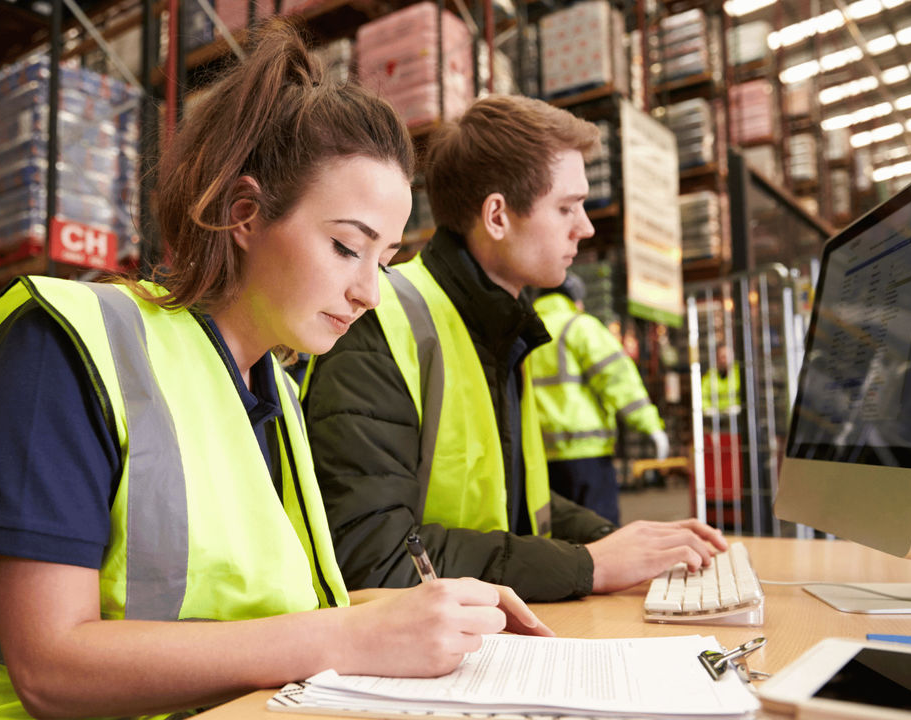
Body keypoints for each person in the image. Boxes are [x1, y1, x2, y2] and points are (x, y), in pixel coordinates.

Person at [0, 22, 552, 720]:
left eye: (387, 257)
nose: (371, 291)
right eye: (345, 247)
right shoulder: (67, 348)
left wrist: (428, 608)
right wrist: (348, 634)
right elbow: (50, 667)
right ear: (244, 215)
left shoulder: (271, 388)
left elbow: (273, 613)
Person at [301, 94, 726, 604]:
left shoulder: (502, 329)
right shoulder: (379, 322)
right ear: (498, 216)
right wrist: (587, 564)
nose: (585, 227)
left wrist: (621, 542)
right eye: (567, 207)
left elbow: (519, 508)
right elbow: (375, 556)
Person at [528, 272, 668, 525]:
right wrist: (651, 426)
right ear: (575, 300)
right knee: (598, 530)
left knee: (556, 535)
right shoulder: (579, 326)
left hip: (539, 457)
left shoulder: (523, 330)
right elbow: (616, 378)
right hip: (586, 453)